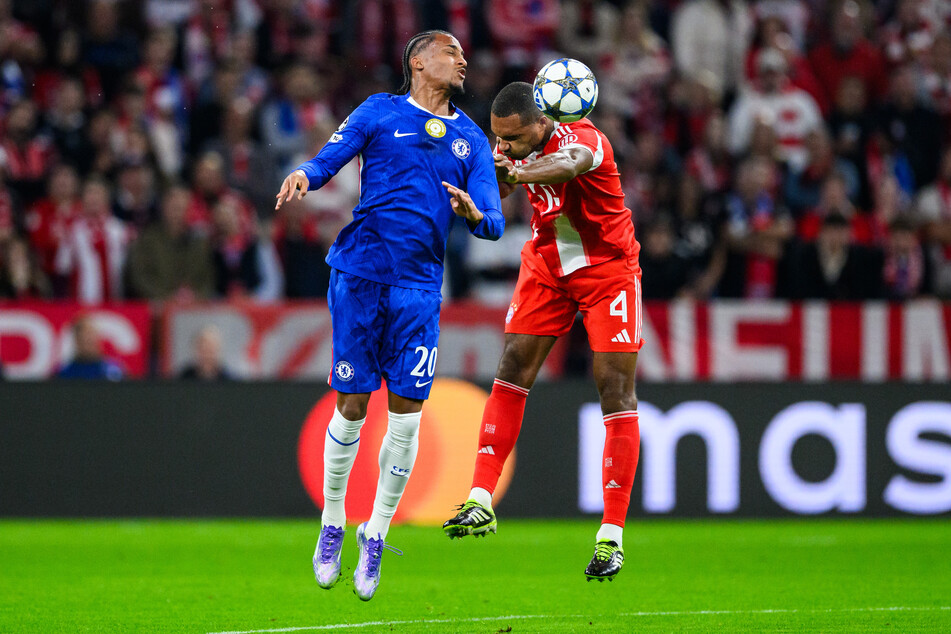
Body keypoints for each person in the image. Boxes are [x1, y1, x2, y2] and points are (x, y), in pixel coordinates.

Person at [274, 30, 504, 601]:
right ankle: (333, 522)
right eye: (451, 52)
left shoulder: (472, 139)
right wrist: (305, 174)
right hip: (360, 274)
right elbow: (330, 157)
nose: (463, 60)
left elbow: (494, 221)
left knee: (405, 419)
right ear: (418, 61)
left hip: (420, 290)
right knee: (352, 405)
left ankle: (375, 532)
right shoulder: (379, 111)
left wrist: (475, 214)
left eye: (463, 54)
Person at [442, 82, 643, 582]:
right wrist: (478, 206)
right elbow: (502, 189)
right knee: (512, 366)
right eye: (498, 137)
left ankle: (611, 536)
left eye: (512, 138)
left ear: (541, 123)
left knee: (614, 388)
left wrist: (514, 169)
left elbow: (567, 165)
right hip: (548, 264)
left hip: (608, 269)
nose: (503, 146)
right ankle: (480, 498)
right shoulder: (512, 148)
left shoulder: (586, 138)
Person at [57, 315, 124, 381]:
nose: (89, 339)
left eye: (91, 334)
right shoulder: (66, 373)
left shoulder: (113, 370)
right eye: (84, 337)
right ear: (77, 340)